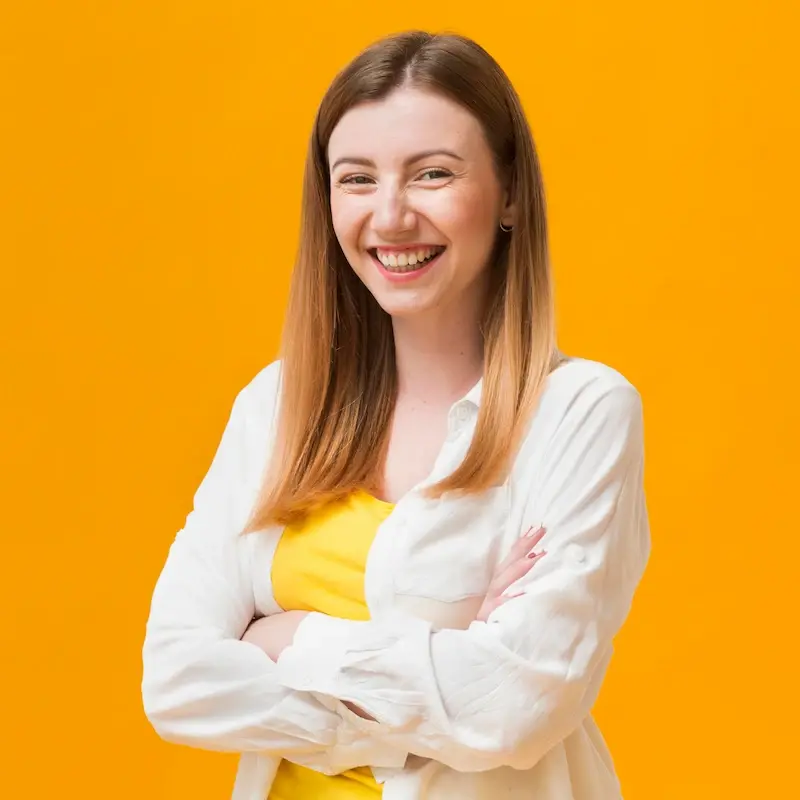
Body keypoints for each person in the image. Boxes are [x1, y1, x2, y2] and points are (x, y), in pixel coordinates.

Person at [142, 29, 650, 800]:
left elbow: (516, 709)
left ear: (510, 192)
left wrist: (290, 639)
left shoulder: (581, 413)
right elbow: (176, 679)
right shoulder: (276, 406)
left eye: (432, 174)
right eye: (356, 179)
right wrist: (438, 670)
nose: (390, 216)